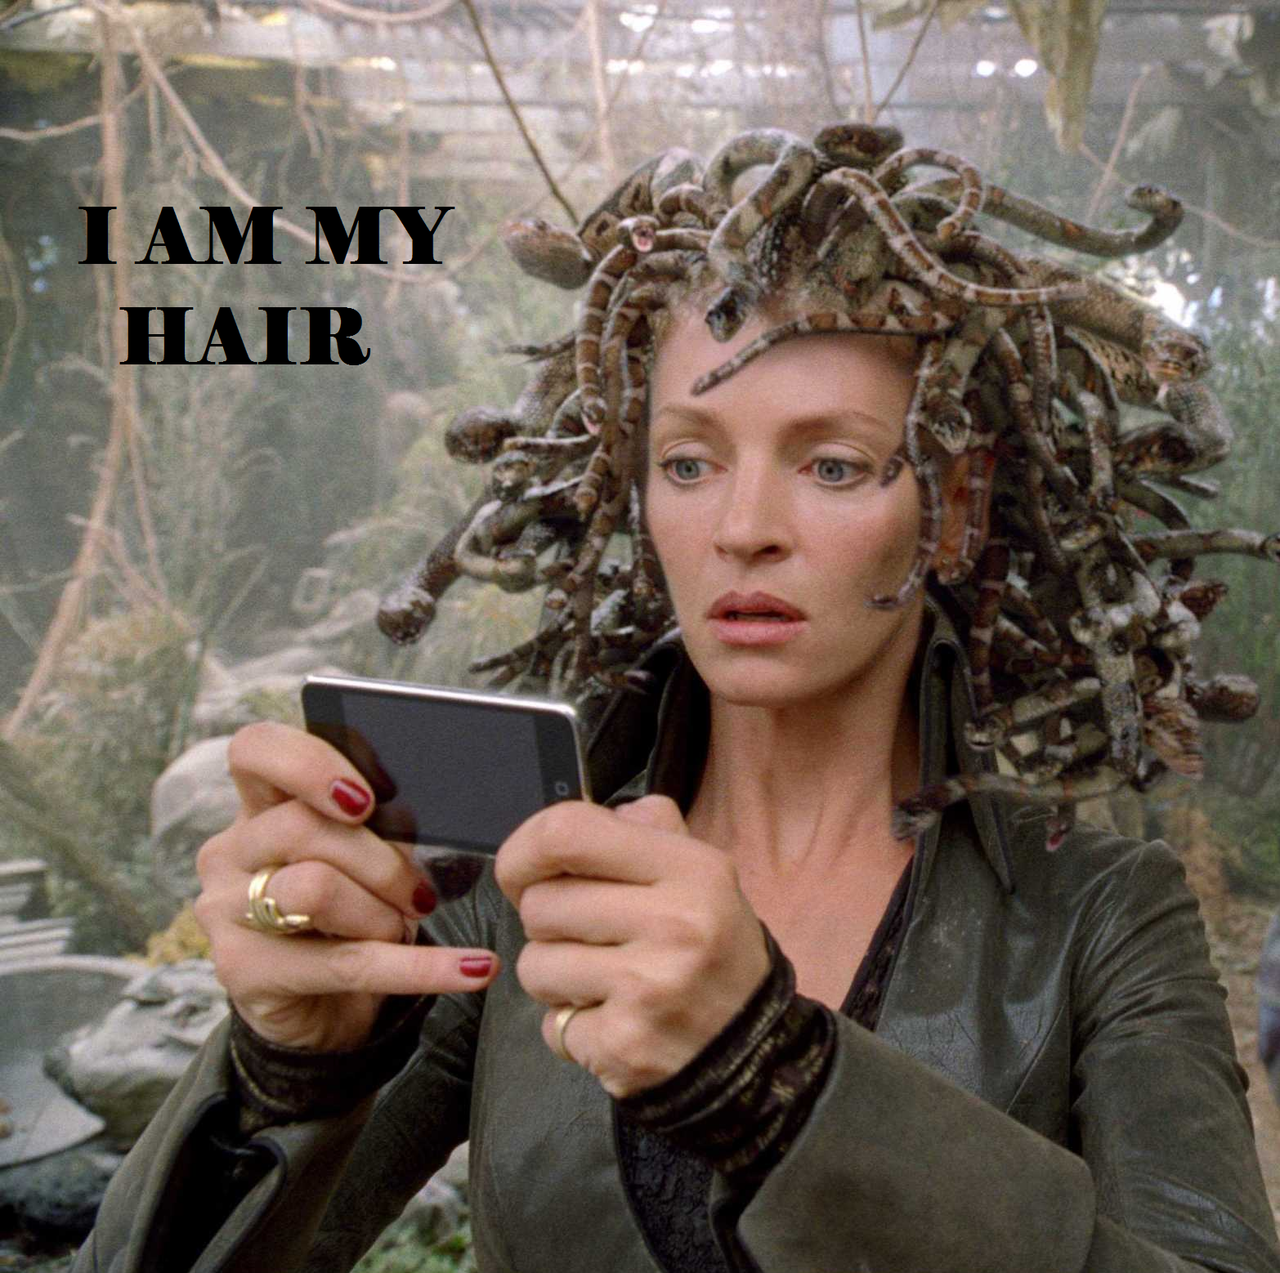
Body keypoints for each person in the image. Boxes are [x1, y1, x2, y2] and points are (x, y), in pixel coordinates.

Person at [75, 124, 1280, 1273]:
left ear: (954, 507)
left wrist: (776, 1087)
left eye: (831, 464)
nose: (743, 528)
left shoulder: (1100, 916)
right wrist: (287, 1075)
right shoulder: (501, 884)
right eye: (688, 461)